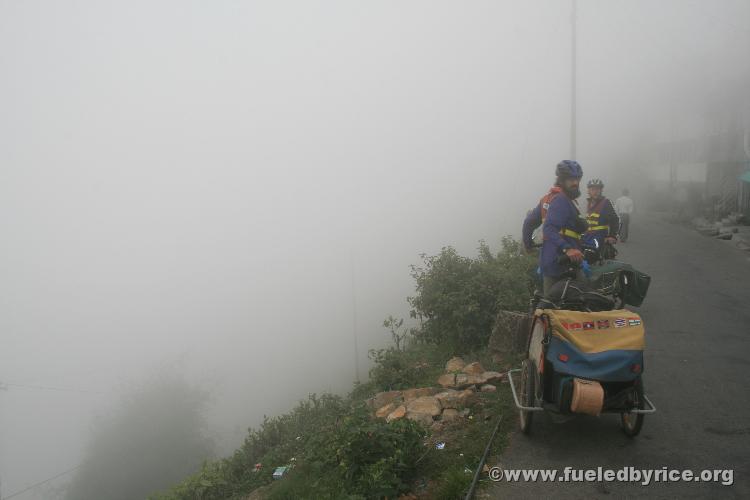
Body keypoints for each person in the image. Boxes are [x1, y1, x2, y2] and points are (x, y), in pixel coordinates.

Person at [524, 160, 589, 296]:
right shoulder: (561, 200)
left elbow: (529, 222)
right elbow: (549, 228)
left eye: (577, 179)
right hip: (559, 262)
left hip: (556, 261)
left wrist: (528, 244)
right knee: (557, 307)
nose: (575, 183)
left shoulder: (548, 200)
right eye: (571, 179)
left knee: (558, 305)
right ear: (561, 180)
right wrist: (568, 248)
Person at [583, 178, 619, 254]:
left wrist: (612, 236)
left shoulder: (606, 203)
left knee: (590, 256)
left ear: (601, 191)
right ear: (589, 191)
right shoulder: (588, 204)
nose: (595, 192)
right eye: (593, 189)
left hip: (600, 237)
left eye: (598, 189)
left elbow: (615, 219)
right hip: (587, 237)